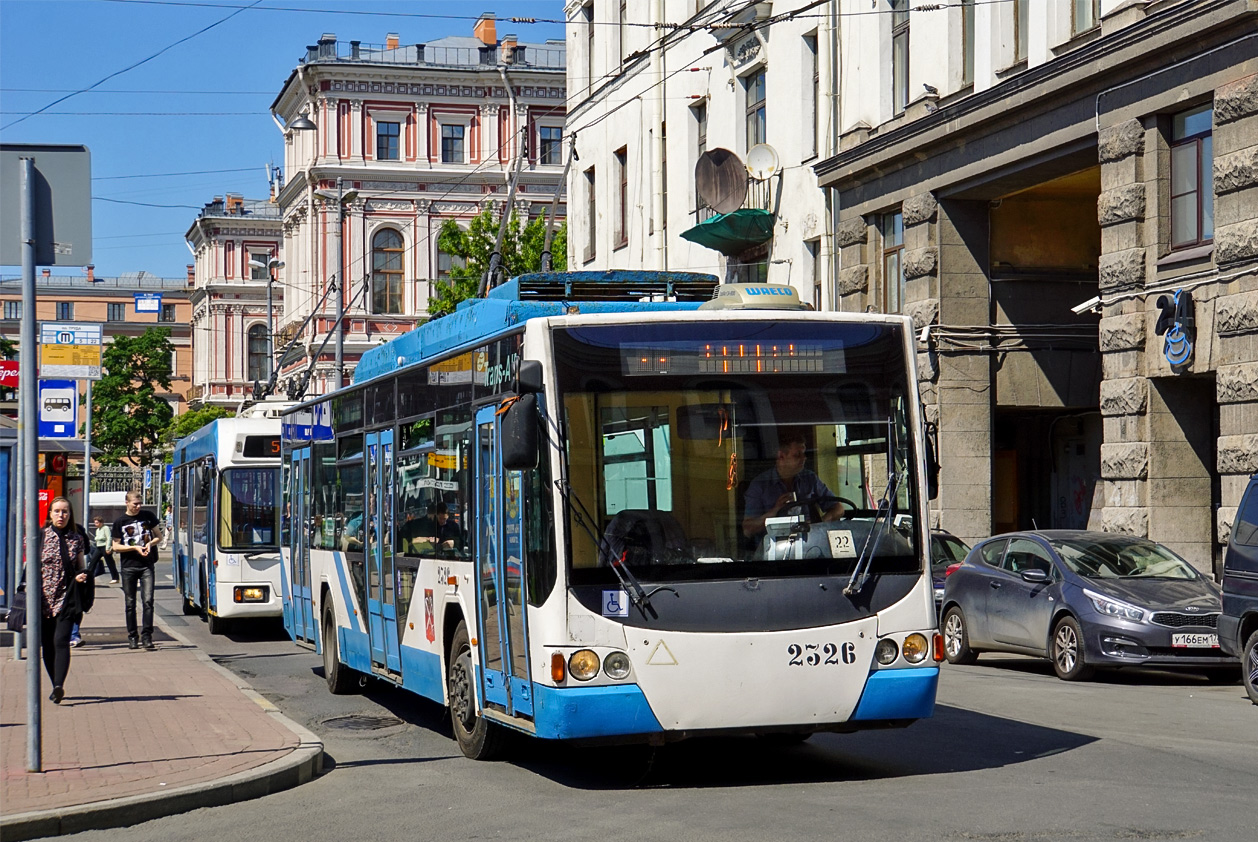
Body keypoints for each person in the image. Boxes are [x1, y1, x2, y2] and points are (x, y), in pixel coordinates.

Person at [741, 431, 845, 540]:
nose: (804, 458)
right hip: (773, 550)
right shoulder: (760, 485)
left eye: (804, 454)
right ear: (781, 456)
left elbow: (838, 509)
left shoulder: (809, 479)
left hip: (810, 547)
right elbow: (748, 530)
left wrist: (818, 525)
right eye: (797, 455)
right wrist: (775, 510)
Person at [38, 497, 90, 703]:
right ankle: (54, 684)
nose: (61, 515)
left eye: (65, 512)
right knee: (47, 644)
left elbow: (81, 566)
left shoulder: (76, 538)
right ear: (50, 514)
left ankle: (59, 685)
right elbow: (29, 567)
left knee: (61, 641)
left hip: (66, 597)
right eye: (57, 511)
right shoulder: (40, 537)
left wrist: (81, 576)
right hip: (42, 599)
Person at [111, 491, 163, 650]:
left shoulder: (148, 516)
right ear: (127, 503)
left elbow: (158, 536)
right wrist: (134, 547)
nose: (138, 507)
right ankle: (133, 636)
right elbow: (115, 546)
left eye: (140, 504)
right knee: (130, 603)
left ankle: (147, 636)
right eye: (135, 504)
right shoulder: (120, 521)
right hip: (129, 566)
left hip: (147, 565)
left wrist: (150, 544)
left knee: (148, 601)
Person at [92, 516, 119, 584]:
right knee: (93, 561)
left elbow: (109, 538)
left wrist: (108, 548)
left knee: (110, 563)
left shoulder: (105, 528)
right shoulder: (97, 530)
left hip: (104, 546)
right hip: (98, 547)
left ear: (101, 523)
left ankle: (115, 578)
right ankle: (89, 577)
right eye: (95, 523)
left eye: (97, 523)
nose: (96, 524)